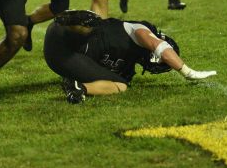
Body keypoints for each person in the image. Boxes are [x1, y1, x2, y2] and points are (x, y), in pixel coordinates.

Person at [43, 9, 217, 104]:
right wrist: (187, 71)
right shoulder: (139, 30)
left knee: (94, 25)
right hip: (65, 45)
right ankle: (79, 87)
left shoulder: (128, 68)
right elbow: (158, 45)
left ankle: (76, 83)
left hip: (64, 54)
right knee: (121, 85)